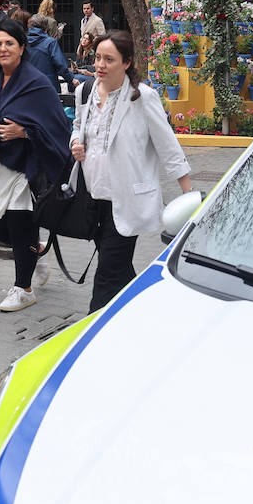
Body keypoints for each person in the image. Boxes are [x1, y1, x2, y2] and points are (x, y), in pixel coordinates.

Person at [70, 30, 193, 312]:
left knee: (107, 275)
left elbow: (167, 146)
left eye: (109, 59)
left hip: (127, 199)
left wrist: (189, 194)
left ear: (126, 63)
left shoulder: (142, 97)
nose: (100, 64)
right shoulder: (84, 91)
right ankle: (145, 311)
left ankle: (92, 331)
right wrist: (75, 141)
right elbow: (78, 126)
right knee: (119, 271)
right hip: (93, 197)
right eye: (98, 57)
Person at [0, 18, 71, 313]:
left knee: (20, 222)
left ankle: (23, 288)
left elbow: (58, 127)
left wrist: (25, 132)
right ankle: (35, 251)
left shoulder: (36, 83)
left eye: (9, 43)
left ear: (22, 47)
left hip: (28, 166)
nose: (3, 48)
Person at [26, 13, 72, 92]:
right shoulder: (50, 43)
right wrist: (70, 79)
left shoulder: (22, 43)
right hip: (48, 86)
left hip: (28, 86)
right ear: (45, 26)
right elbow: (60, 64)